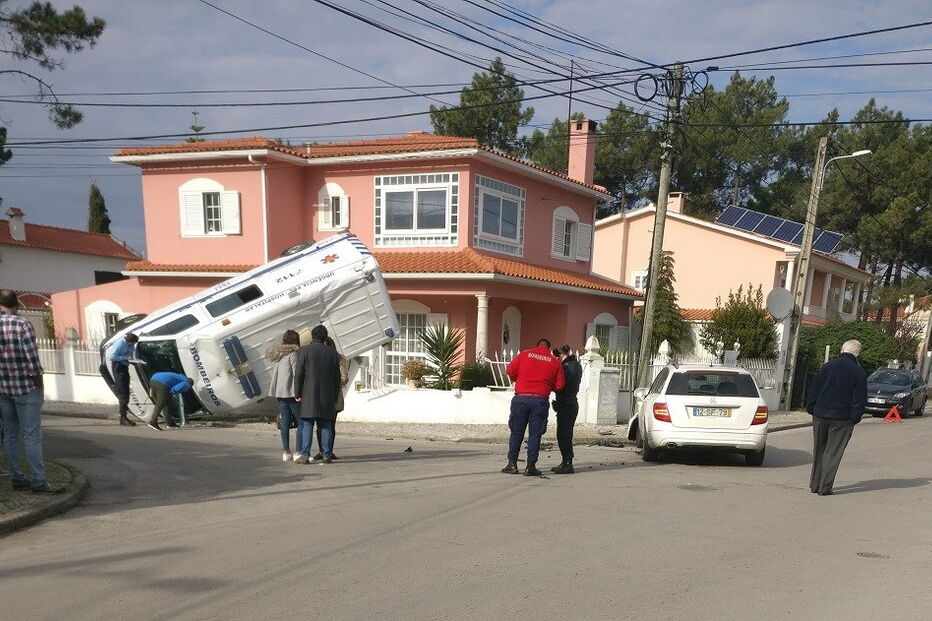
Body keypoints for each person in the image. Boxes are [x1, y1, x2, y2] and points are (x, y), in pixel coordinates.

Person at [0, 289, 62, 494]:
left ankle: (17, 477)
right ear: (16, 305)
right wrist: (39, 384)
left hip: (3, 389)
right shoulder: (23, 325)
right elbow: (32, 360)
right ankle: (38, 480)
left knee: (9, 434)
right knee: (31, 435)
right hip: (25, 387)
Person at [806, 339, 868, 496]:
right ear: (857, 353)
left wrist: (812, 407)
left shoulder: (827, 367)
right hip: (842, 418)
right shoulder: (858, 372)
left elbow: (814, 388)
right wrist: (855, 417)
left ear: (842, 350)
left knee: (819, 450)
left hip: (820, 415)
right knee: (833, 453)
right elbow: (859, 399)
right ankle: (825, 488)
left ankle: (815, 484)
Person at [502, 338, 565, 476]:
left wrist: (519, 379)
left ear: (537, 346)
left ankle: (512, 464)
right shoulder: (555, 361)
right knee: (535, 435)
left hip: (521, 399)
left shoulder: (525, 354)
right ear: (549, 348)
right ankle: (530, 466)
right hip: (540, 401)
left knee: (516, 432)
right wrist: (547, 385)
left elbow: (510, 370)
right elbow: (560, 385)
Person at [293, 325, 340, 464]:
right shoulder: (332, 353)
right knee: (325, 425)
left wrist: (297, 392)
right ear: (325, 337)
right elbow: (336, 378)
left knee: (307, 424)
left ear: (312, 336)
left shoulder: (305, 351)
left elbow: (299, 374)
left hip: (309, 394)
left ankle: (305, 455)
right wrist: (335, 395)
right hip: (327, 395)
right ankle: (326, 454)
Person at [267, 330, 301, 462]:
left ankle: (286, 451)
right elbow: (296, 374)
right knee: (301, 421)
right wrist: (300, 391)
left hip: (280, 393)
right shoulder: (293, 354)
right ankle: (298, 451)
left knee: (285, 422)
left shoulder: (279, 355)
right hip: (292, 393)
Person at [316, 336, 349, 461]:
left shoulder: (339, 359)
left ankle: (328, 450)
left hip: (334, 395)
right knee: (320, 425)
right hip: (321, 395)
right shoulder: (318, 359)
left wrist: (331, 380)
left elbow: (344, 378)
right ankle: (322, 450)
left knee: (330, 425)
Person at [551, 344, 583, 475]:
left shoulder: (564, 368)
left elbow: (560, 385)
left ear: (560, 356)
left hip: (565, 403)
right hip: (572, 402)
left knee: (563, 435)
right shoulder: (577, 365)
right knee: (567, 433)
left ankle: (567, 463)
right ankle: (565, 462)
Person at [107, 332, 139, 426]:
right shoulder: (120, 343)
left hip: (125, 367)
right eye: (132, 344)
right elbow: (111, 356)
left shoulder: (131, 344)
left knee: (126, 392)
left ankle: (124, 416)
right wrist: (124, 357)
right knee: (123, 393)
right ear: (128, 341)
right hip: (118, 368)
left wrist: (135, 361)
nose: (133, 346)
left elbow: (130, 356)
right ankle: (123, 418)